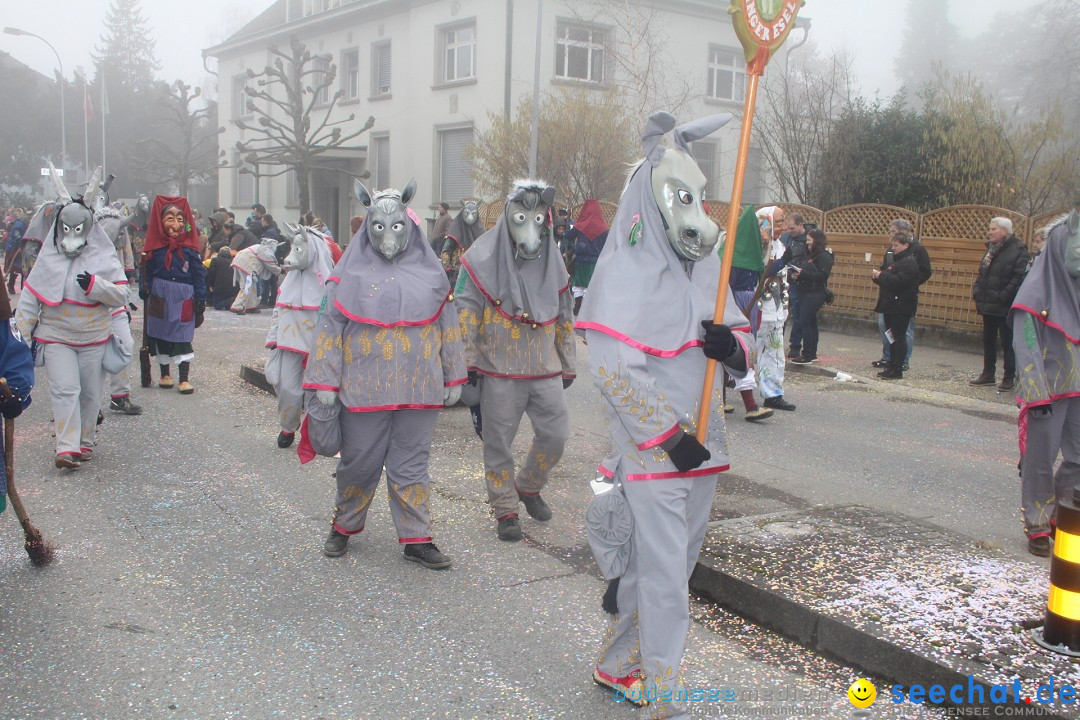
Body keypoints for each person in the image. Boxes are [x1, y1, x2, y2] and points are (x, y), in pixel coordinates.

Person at [575, 111, 751, 717]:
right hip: (654, 452)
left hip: (708, 444)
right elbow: (616, 367)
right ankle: (665, 692)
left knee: (672, 564)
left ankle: (617, 661)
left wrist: (731, 348)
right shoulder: (620, 273)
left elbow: (743, 339)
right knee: (668, 577)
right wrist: (669, 437)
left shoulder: (708, 264)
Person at [302, 180, 466, 569]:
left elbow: (449, 325)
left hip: (419, 386)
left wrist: (454, 375)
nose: (389, 236)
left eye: (396, 227)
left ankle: (417, 537)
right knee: (359, 461)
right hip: (363, 388)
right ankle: (343, 525)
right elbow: (329, 327)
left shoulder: (432, 275)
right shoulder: (347, 275)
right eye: (380, 226)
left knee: (412, 463)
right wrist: (324, 379)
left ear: (409, 228)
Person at [456, 181, 576, 542]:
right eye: (523, 217)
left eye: (538, 218)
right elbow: (466, 311)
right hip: (499, 367)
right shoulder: (479, 259)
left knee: (555, 435)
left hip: (543, 365)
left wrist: (567, 359)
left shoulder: (553, 263)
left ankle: (528, 485)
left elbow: (565, 311)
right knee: (498, 443)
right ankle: (505, 509)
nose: (531, 226)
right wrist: (468, 363)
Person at [15, 174, 128, 469]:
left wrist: (96, 286)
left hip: (94, 335)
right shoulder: (49, 257)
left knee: (90, 394)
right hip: (56, 333)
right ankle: (66, 446)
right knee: (64, 389)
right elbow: (29, 301)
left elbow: (121, 294)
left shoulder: (104, 257)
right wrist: (18, 345)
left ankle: (85, 440)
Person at [1012, 211, 1080, 557]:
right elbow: (1025, 340)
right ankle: (1038, 521)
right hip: (1049, 390)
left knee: (1079, 457)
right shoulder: (1037, 292)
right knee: (1041, 456)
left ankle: (1057, 507)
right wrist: (1036, 391)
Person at [265, 225, 334, 449]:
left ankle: (315, 430)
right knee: (287, 386)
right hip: (289, 342)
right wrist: (274, 337)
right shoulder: (288, 283)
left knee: (317, 390)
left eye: (298, 249)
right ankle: (288, 423)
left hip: (317, 346)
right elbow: (278, 310)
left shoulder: (329, 286)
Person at [139, 196, 207, 395]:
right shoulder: (155, 249)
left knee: (182, 335)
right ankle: (164, 374)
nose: (176, 224)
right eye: (170, 218)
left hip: (184, 295)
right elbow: (147, 272)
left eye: (180, 219)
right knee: (161, 333)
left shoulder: (190, 250)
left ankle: (184, 378)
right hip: (160, 294)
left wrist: (201, 299)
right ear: (160, 222)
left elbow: (198, 275)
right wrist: (145, 287)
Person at [970, 217, 1030, 391]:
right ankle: (988, 373)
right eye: (990, 228)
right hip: (987, 302)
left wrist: (1004, 296)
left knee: (1007, 342)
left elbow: (1018, 278)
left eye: (993, 229)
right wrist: (977, 290)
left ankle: (1009, 377)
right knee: (988, 340)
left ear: (1005, 231)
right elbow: (982, 273)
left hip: (1005, 305)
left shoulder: (1019, 250)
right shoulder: (991, 250)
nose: (990, 232)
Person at [872, 219, 931, 372]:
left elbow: (922, 272)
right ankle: (888, 359)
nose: (890, 235)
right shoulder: (892, 250)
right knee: (887, 329)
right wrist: (880, 276)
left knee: (903, 332)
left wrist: (911, 283)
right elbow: (887, 269)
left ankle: (901, 361)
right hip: (888, 296)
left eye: (893, 231)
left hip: (903, 299)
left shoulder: (915, 252)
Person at [789, 229, 833, 365]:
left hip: (815, 293)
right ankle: (811, 352)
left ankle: (807, 353)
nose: (807, 242)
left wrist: (803, 274)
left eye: (809, 240)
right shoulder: (809, 254)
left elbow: (823, 275)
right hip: (805, 291)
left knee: (805, 321)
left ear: (816, 240)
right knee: (810, 322)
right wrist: (796, 274)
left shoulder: (824, 256)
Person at [564, 199, 609, 315]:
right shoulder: (604, 229)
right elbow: (608, 243)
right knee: (591, 284)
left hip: (580, 260)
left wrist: (568, 226)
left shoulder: (580, 226)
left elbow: (567, 236)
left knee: (579, 284)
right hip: (596, 261)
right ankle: (590, 308)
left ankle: (578, 306)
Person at [229, 237, 280, 314]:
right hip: (247, 266)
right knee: (247, 286)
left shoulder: (258, 247)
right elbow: (270, 265)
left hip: (242, 263)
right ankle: (237, 306)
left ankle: (250, 306)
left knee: (252, 287)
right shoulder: (265, 250)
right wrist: (280, 270)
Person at [784, 214, 809, 360]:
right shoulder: (786, 238)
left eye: (792, 228)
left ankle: (795, 345)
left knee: (798, 315)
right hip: (784, 280)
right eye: (789, 228)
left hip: (797, 282)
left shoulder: (807, 241)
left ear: (801, 225)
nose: (790, 231)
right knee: (781, 314)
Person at [4, 209, 26, 293]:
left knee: (21, 268)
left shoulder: (21, 224)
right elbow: (16, 234)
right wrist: (20, 242)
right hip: (14, 248)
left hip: (21, 248)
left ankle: (22, 287)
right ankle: (10, 285)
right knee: (15, 267)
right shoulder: (17, 225)